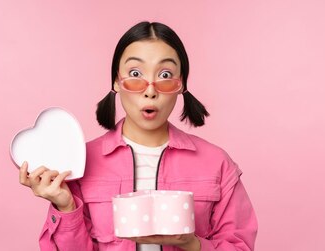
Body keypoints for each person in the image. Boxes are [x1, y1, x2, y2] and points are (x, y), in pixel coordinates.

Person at [18, 21, 258, 251]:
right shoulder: (80, 163)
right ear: (116, 81)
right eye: (135, 73)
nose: (150, 91)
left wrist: (191, 244)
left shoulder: (217, 164)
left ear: (181, 84)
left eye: (165, 75)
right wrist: (65, 206)